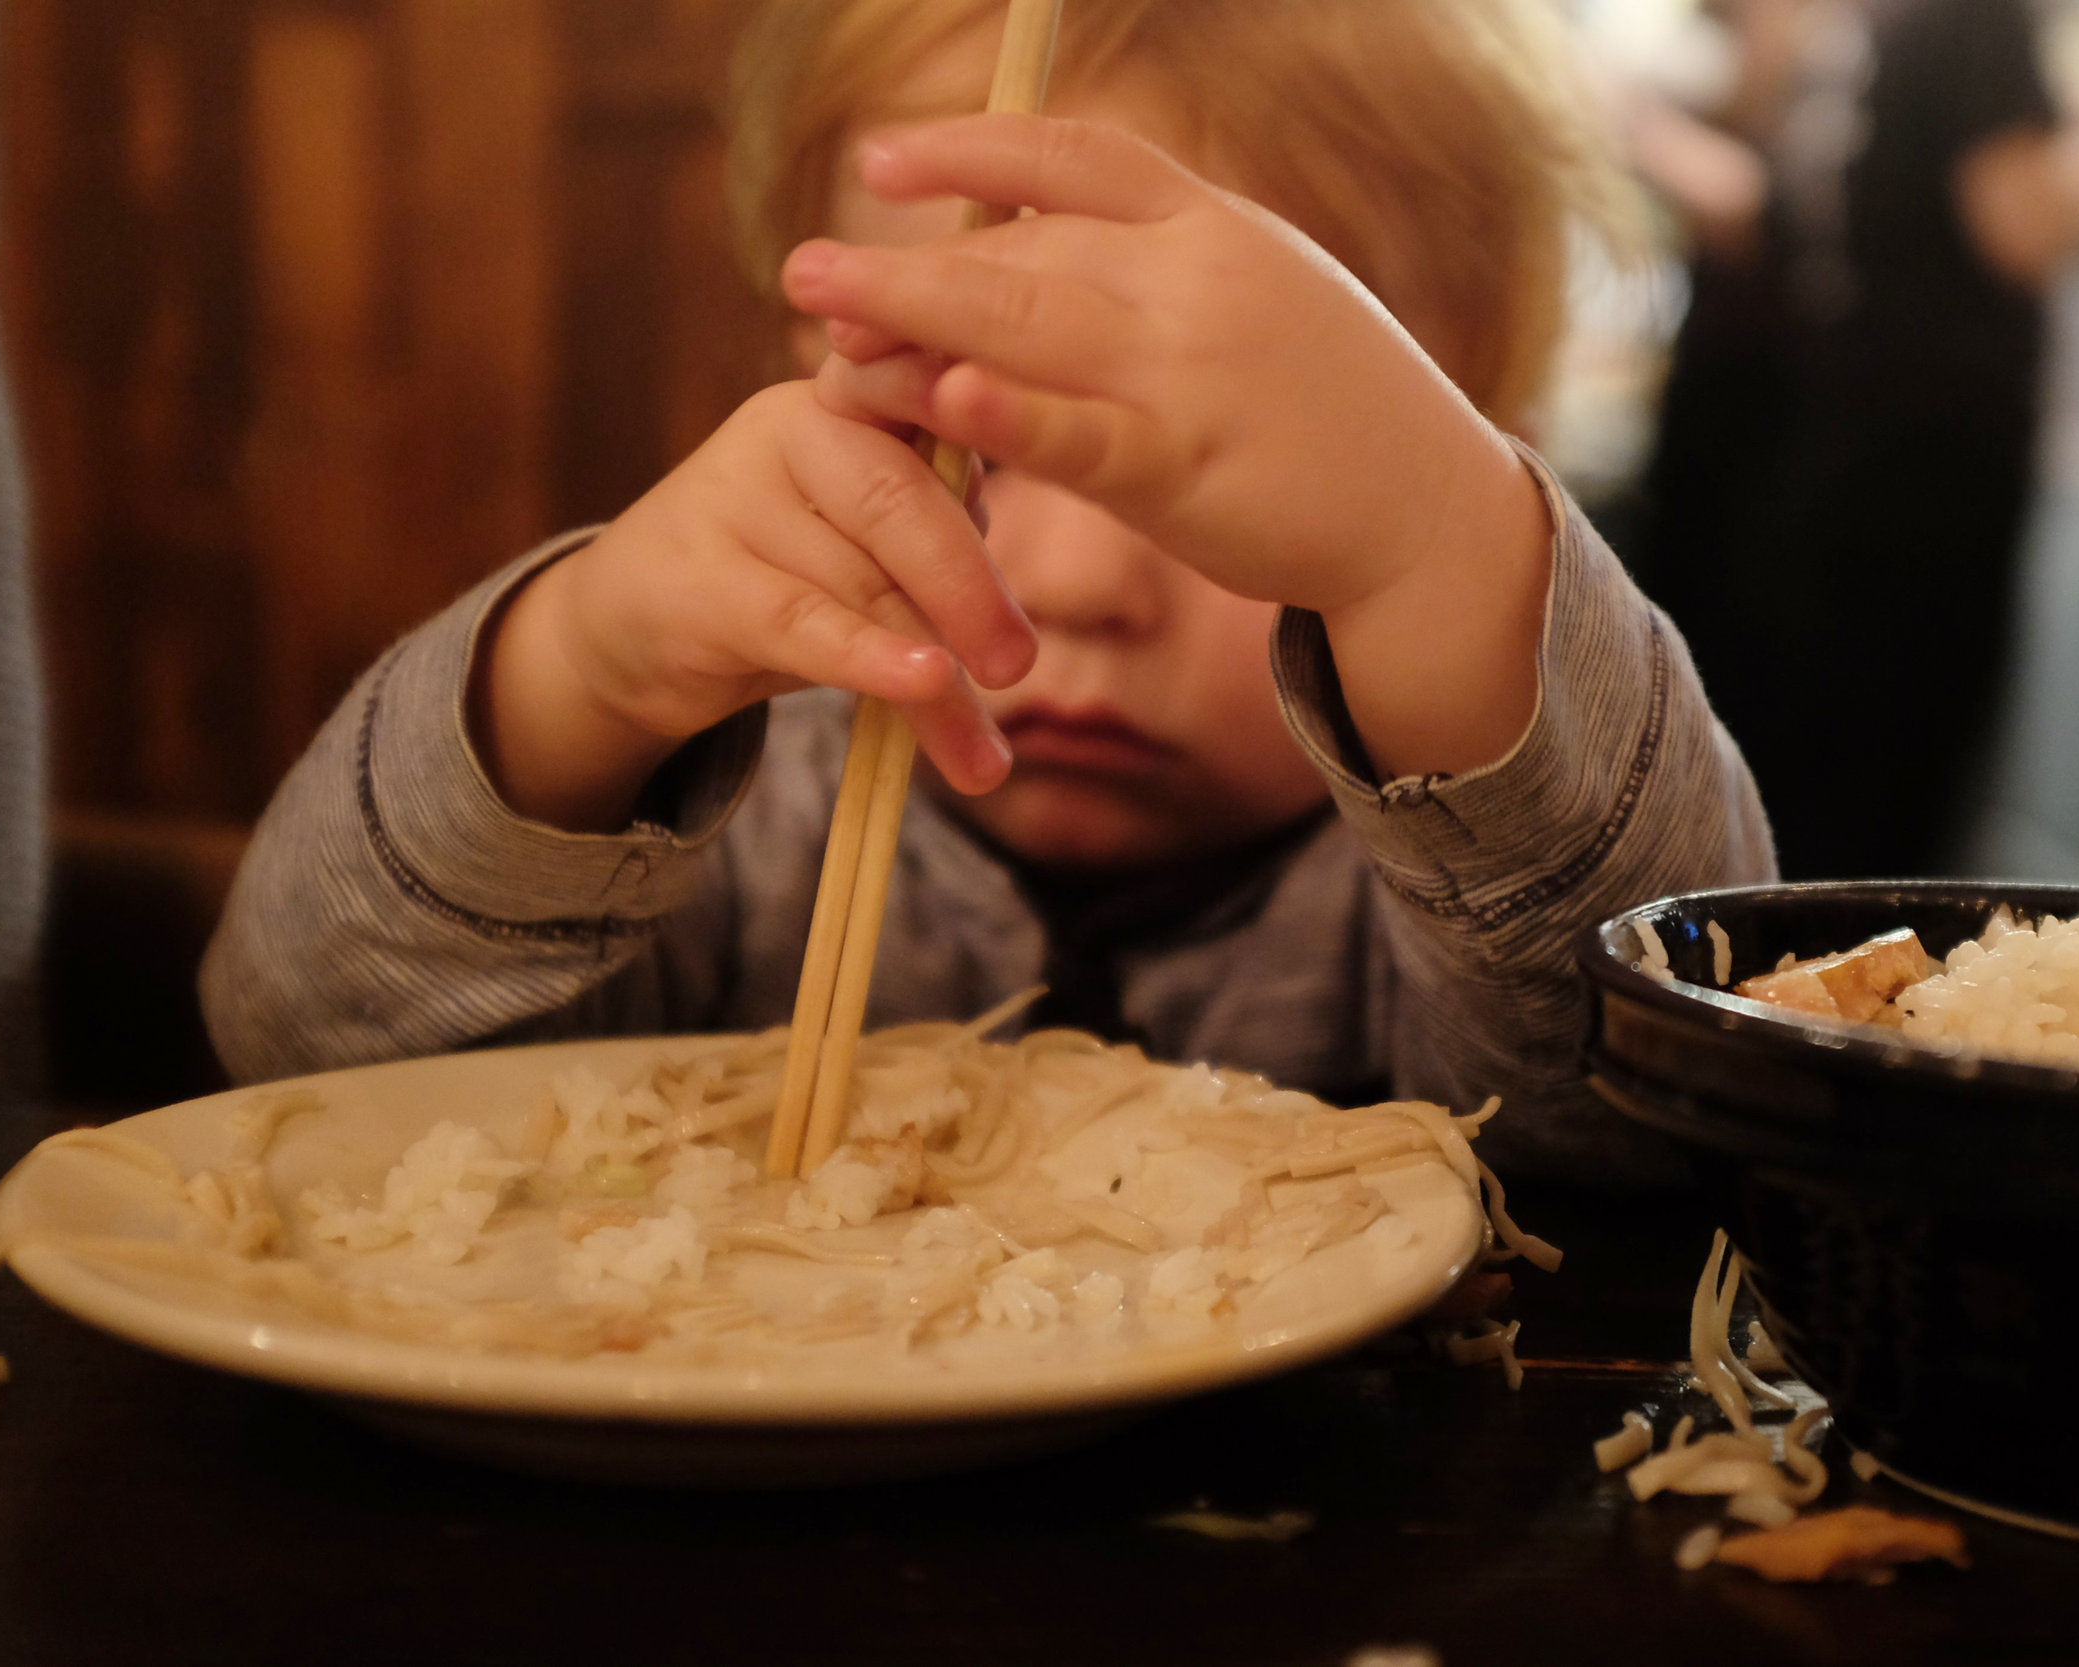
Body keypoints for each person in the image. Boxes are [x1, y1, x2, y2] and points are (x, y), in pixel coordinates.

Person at [200, 0, 1773, 1184]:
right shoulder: (726, 823)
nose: (1074, 585)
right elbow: (300, 1045)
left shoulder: (1432, 905)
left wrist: (1444, 546)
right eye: (963, 444)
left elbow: (1676, 1100)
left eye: (1214, 496)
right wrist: (577, 676)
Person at [1620, 0, 2079, 878]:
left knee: (1808, 819)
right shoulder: (1972, 16)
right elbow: (2026, 227)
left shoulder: (1869, 27)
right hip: (1926, 490)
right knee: (1885, 833)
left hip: (1828, 473)